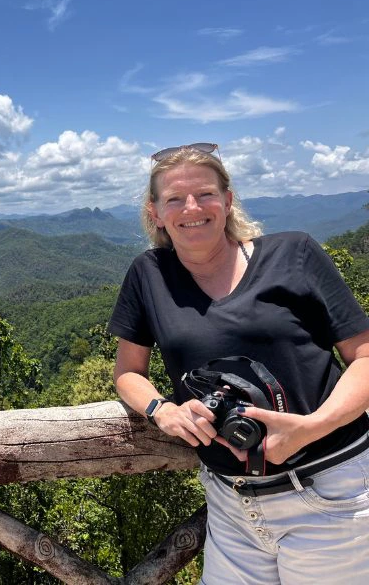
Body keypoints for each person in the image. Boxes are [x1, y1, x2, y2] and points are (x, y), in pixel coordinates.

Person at [107, 143, 369, 584]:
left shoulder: (294, 254)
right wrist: (162, 409)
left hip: (330, 490)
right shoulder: (148, 274)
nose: (192, 207)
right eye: (175, 198)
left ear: (228, 201)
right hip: (232, 504)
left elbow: (364, 356)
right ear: (155, 212)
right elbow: (128, 372)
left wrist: (311, 427)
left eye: (205, 194)